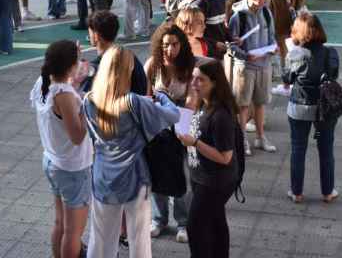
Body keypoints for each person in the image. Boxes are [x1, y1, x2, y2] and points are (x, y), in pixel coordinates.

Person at [83, 46, 181, 258]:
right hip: (135, 177)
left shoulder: (88, 100)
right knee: (139, 240)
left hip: (102, 176)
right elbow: (173, 116)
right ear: (126, 71)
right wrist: (163, 98)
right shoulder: (134, 102)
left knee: (100, 240)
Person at [31, 40, 92, 258]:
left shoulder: (43, 83)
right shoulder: (64, 95)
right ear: (69, 66)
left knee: (61, 222)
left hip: (52, 161)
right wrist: (87, 108)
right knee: (73, 232)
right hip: (72, 168)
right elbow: (77, 136)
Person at [174, 58, 238, 258]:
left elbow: (225, 157)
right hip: (201, 177)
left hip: (215, 182)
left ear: (215, 83)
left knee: (196, 228)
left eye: (200, 80)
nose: (194, 84)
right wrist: (189, 104)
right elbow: (184, 128)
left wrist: (195, 143)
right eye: (193, 79)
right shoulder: (202, 103)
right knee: (217, 222)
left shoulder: (221, 115)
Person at [144, 22, 196, 243]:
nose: (170, 50)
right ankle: (159, 219)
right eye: (165, 45)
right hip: (157, 130)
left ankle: (183, 222)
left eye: (174, 44)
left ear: (182, 44)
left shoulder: (189, 68)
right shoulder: (152, 66)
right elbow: (145, 99)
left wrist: (181, 130)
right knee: (158, 175)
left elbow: (192, 103)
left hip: (181, 127)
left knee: (182, 177)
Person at [282, 13, 339, 203]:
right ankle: (328, 191)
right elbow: (334, 75)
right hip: (324, 109)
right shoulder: (330, 53)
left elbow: (287, 78)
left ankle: (296, 192)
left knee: (298, 149)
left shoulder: (296, 53)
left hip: (299, 106)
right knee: (326, 149)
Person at [228, 0, 278, 156]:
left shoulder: (266, 12)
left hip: (264, 64)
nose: (261, 2)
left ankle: (260, 137)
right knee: (243, 105)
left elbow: (272, 36)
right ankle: (242, 140)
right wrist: (243, 54)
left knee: (260, 103)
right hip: (245, 67)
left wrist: (273, 48)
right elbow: (231, 45)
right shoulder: (238, 16)